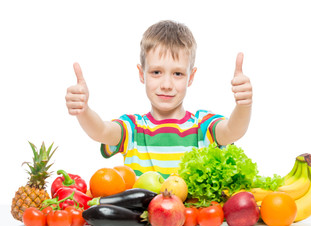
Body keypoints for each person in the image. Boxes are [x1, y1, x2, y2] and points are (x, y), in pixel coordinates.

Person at [65, 20, 252, 178]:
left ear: (191, 77)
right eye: (156, 72)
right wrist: (84, 110)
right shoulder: (133, 128)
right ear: (142, 74)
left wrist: (244, 104)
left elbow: (232, 131)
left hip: (192, 222)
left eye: (178, 73)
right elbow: (101, 131)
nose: (166, 84)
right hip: (144, 222)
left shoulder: (202, 125)